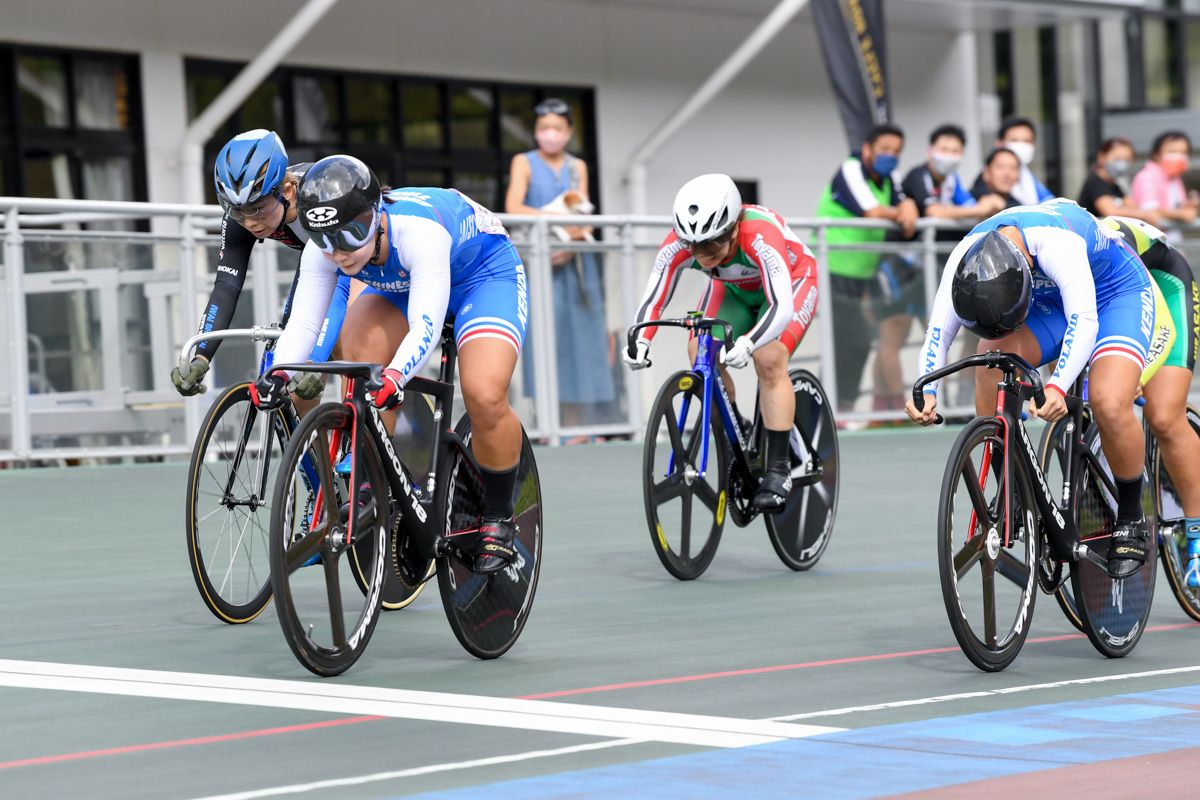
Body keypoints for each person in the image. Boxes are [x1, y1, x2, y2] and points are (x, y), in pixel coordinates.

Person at [250, 156, 528, 574]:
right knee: (361, 359)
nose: (339, 252)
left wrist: (397, 376)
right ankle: (377, 478)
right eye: (327, 241)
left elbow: (427, 325)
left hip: (482, 277)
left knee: (484, 393)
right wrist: (279, 373)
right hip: (404, 284)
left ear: (377, 216)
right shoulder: (325, 247)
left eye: (352, 235)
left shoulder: (419, 233)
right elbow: (305, 321)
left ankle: (499, 517)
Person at [906, 200, 1160, 579]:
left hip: (1115, 296)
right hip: (1051, 300)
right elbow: (939, 332)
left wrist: (1057, 385)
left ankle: (1131, 516)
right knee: (990, 357)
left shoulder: (1057, 244)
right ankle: (1010, 487)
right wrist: (926, 388)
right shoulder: (966, 254)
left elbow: (1084, 320)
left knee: (1107, 401)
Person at [626, 174, 820, 511]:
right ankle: (739, 428)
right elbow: (654, 297)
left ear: (733, 229)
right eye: (693, 246)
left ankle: (778, 471)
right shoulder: (682, 243)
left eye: (711, 244)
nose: (701, 255)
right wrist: (640, 339)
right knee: (699, 351)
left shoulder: (759, 235)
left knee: (769, 359)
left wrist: (749, 342)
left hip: (792, 283)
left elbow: (781, 307)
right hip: (734, 291)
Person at [170, 129, 355, 411]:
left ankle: (356, 446)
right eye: (237, 210)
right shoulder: (242, 217)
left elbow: (340, 282)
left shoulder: (317, 199)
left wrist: (313, 361)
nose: (250, 221)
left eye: (258, 208)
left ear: (287, 191)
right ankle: (310, 451)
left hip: (356, 258)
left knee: (349, 342)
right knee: (294, 385)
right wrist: (201, 357)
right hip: (319, 260)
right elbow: (225, 287)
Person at [505, 98, 614, 440]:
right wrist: (555, 224)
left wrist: (571, 239)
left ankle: (580, 428)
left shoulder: (576, 166)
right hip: (540, 267)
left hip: (577, 267)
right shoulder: (523, 162)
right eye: (542, 128)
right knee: (547, 342)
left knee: (584, 343)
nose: (549, 134)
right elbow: (513, 207)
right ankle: (550, 426)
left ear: (569, 133)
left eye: (556, 128)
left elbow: (584, 217)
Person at [1102, 216, 1200, 584]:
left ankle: (1197, 541)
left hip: (1163, 291)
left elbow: (1158, 324)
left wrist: (1137, 375)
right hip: (1116, 300)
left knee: (1162, 415)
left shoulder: (1112, 246)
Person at [816, 122, 919, 412]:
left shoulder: (890, 178)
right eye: (884, 149)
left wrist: (908, 204)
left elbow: (905, 207)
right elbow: (872, 211)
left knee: (856, 342)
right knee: (849, 340)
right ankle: (830, 409)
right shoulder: (850, 169)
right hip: (832, 268)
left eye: (897, 151)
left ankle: (840, 407)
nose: (891, 155)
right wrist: (904, 210)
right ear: (867, 149)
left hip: (863, 274)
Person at [971, 116, 1053, 207]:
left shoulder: (1030, 179)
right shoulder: (987, 179)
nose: (1007, 173)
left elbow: (1049, 202)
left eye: (1027, 141)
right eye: (1014, 140)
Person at [1131, 131, 1198, 242]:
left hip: (1171, 243)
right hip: (1151, 246)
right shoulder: (1147, 176)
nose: (1179, 156)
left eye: (1184, 152)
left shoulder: (1175, 179)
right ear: (1157, 154)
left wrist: (1190, 207)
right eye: (1172, 151)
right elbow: (1150, 210)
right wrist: (1182, 214)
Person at [1079, 137, 1160, 225]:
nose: (1122, 164)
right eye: (1117, 158)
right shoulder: (1096, 183)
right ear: (1101, 157)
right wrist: (1144, 214)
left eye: (1127, 159)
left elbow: (1132, 206)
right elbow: (1110, 212)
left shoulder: (1114, 185)